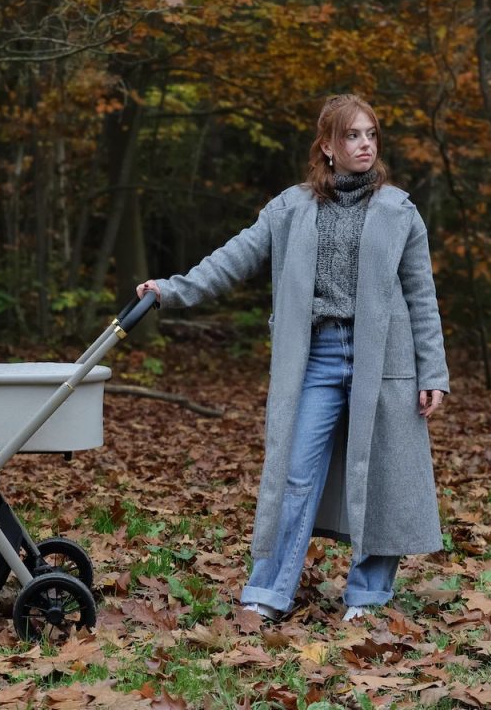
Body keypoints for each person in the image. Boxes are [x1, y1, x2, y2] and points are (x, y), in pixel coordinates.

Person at [136, 94, 448, 622]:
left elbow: (421, 294)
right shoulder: (291, 208)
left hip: (385, 359)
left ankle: (368, 597)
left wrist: (433, 370)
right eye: (352, 135)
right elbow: (234, 258)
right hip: (318, 358)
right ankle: (268, 593)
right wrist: (171, 290)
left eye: (371, 134)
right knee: (294, 474)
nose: (365, 144)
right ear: (327, 146)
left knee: (380, 475)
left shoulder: (399, 210)